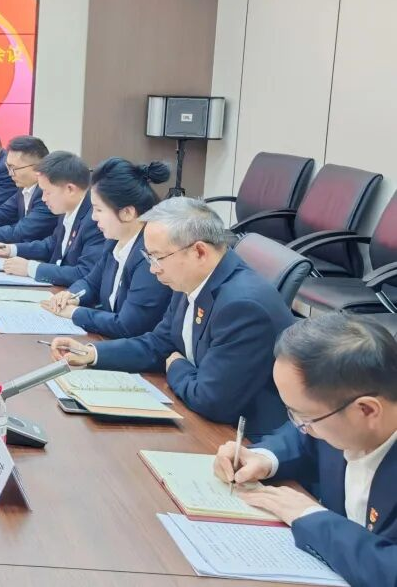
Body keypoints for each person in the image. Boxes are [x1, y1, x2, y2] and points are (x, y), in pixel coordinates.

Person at [50, 197, 294, 438]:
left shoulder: (243, 307)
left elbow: (211, 400)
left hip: (243, 440)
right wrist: (92, 353)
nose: (153, 268)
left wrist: (177, 366)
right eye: (149, 258)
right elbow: (160, 343)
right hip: (198, 414)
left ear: (199, 252)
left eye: (157, 258)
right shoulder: (191, 278)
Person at [212, 314, 397, 586]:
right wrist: (263, 458)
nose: (300, 426)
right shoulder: (339, 416)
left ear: (367, 410)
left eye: (304, 417)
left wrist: (310, 517)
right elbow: (302, 440)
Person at [42, 158, 173, 338]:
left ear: (127, 212)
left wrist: (75, 313)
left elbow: (128, 325)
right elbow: (91, 283)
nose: (93, 217)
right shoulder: (114, 241)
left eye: (99, 210)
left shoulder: (150, 254)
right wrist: (71, 296)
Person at [0, 151, 106, 286]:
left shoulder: (95, 220)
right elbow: (52, 245)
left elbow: (84, 273)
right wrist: (11, 249)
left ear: (70, 189)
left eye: (47, 192)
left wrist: (30, 268)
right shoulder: (67, 208)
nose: (43, 198)